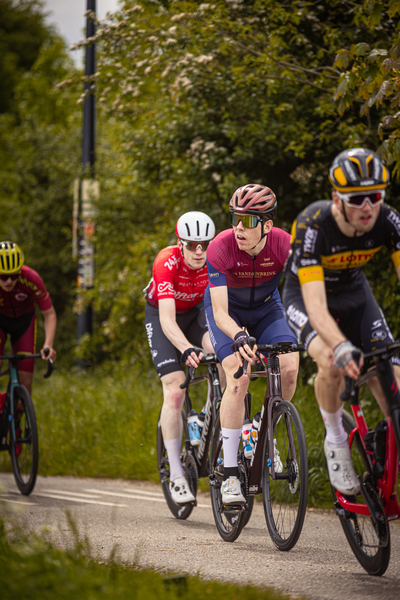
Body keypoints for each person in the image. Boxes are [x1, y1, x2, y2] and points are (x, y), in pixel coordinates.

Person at [283, 147, 400, 496]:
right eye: (357, 198)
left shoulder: (388, 220)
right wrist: (341, 344)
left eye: (375, 196)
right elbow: (316, 306)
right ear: (337, 198)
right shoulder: (313, 223)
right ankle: (335, 441)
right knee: (332, 362)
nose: (368, 206)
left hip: (355, 296)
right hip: (305, 297)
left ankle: (387, 458)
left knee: (389, 375)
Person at [205, 184, 299, 504]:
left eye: (247, 221)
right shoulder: (220, 247)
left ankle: (260, 428)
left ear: (267, 225)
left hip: (267, 310)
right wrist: (239, 335)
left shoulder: (286, 245)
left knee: (288, 369)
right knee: (238, 376)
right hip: (228, 314)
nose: (238, 228)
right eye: (235, 219)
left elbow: (302, 290)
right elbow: (218, 311)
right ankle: (230, 472)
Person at [144, 211, 217, 504]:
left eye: (204, 244)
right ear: (180, 243)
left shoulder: (215, 260)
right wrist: (186, 348)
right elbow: (167, 319)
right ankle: (175, 475)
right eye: (191, 245)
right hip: (165, 318)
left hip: (197, 314)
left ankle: (210, 415)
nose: (199, 251)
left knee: (221, 356)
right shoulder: (166, 261)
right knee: (175, 390)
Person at [0, 241, 57, 410]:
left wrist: (48, 345)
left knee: (25, 382)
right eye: (3, 277)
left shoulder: (31, 278)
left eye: (14, 275)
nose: (9, 281)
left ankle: (19, 424)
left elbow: (49, 313)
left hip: (24, 322)